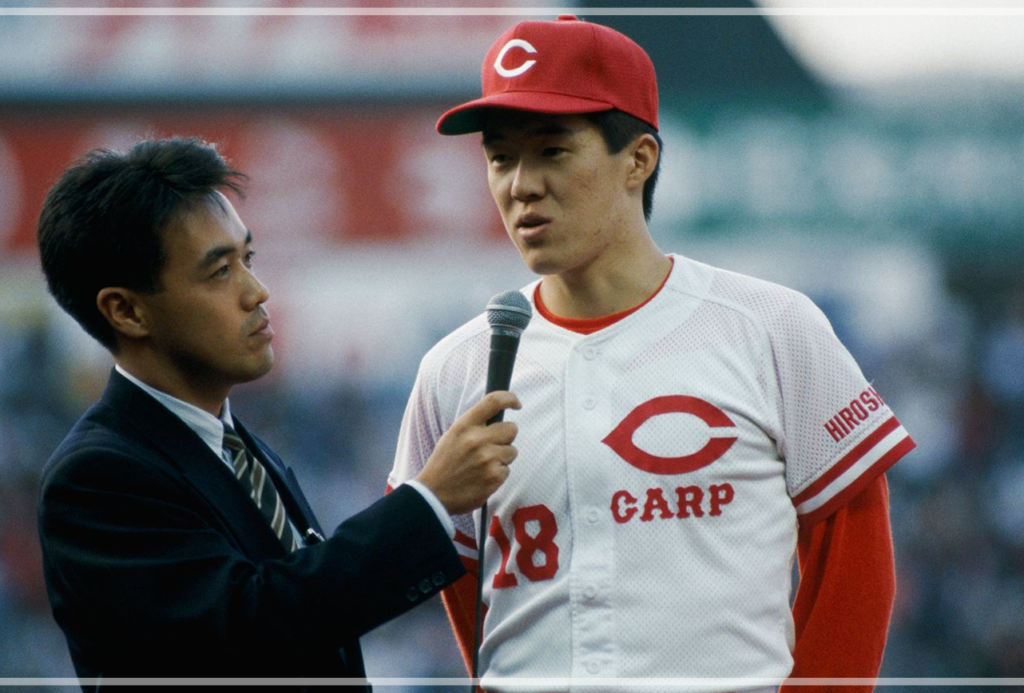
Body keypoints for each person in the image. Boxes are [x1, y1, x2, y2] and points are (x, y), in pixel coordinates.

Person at [388, 15, 916, 692]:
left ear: (639, 158)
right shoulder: (456, 368)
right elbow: (459, 583)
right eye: (500, 157)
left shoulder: (770, 325)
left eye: (552, 150)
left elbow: (854, 549)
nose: (520, 184)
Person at [36, 137, 520, 688]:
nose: (257, 291)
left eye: (248, 258)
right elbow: (251, 627)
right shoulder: (99, 477)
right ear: (125, 310)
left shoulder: (234, 445)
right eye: (219, 272)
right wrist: (430, 502)